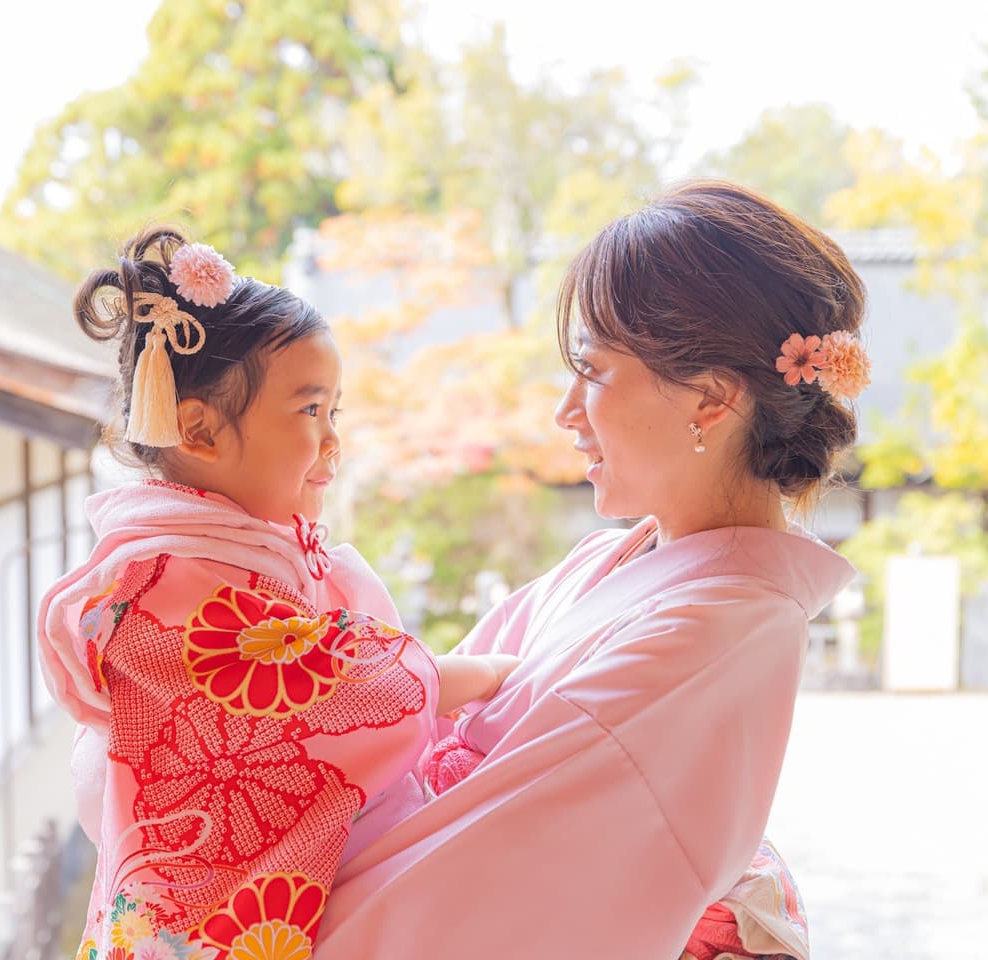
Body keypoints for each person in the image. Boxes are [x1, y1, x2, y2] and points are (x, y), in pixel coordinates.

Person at [314, 179, 869, 958]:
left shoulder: (722, 627)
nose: (566, 411)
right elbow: (425, 710)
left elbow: (496, 880)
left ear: (710, 398)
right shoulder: (619, 555)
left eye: (595, 372)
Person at [36, 227, 516, 960]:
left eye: (334, 414)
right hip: (191, 918)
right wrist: (478, 674)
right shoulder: (162, 586)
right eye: (307, 412)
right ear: (198, 433)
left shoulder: (224, 552)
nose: (332, 443)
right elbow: (332, 688)